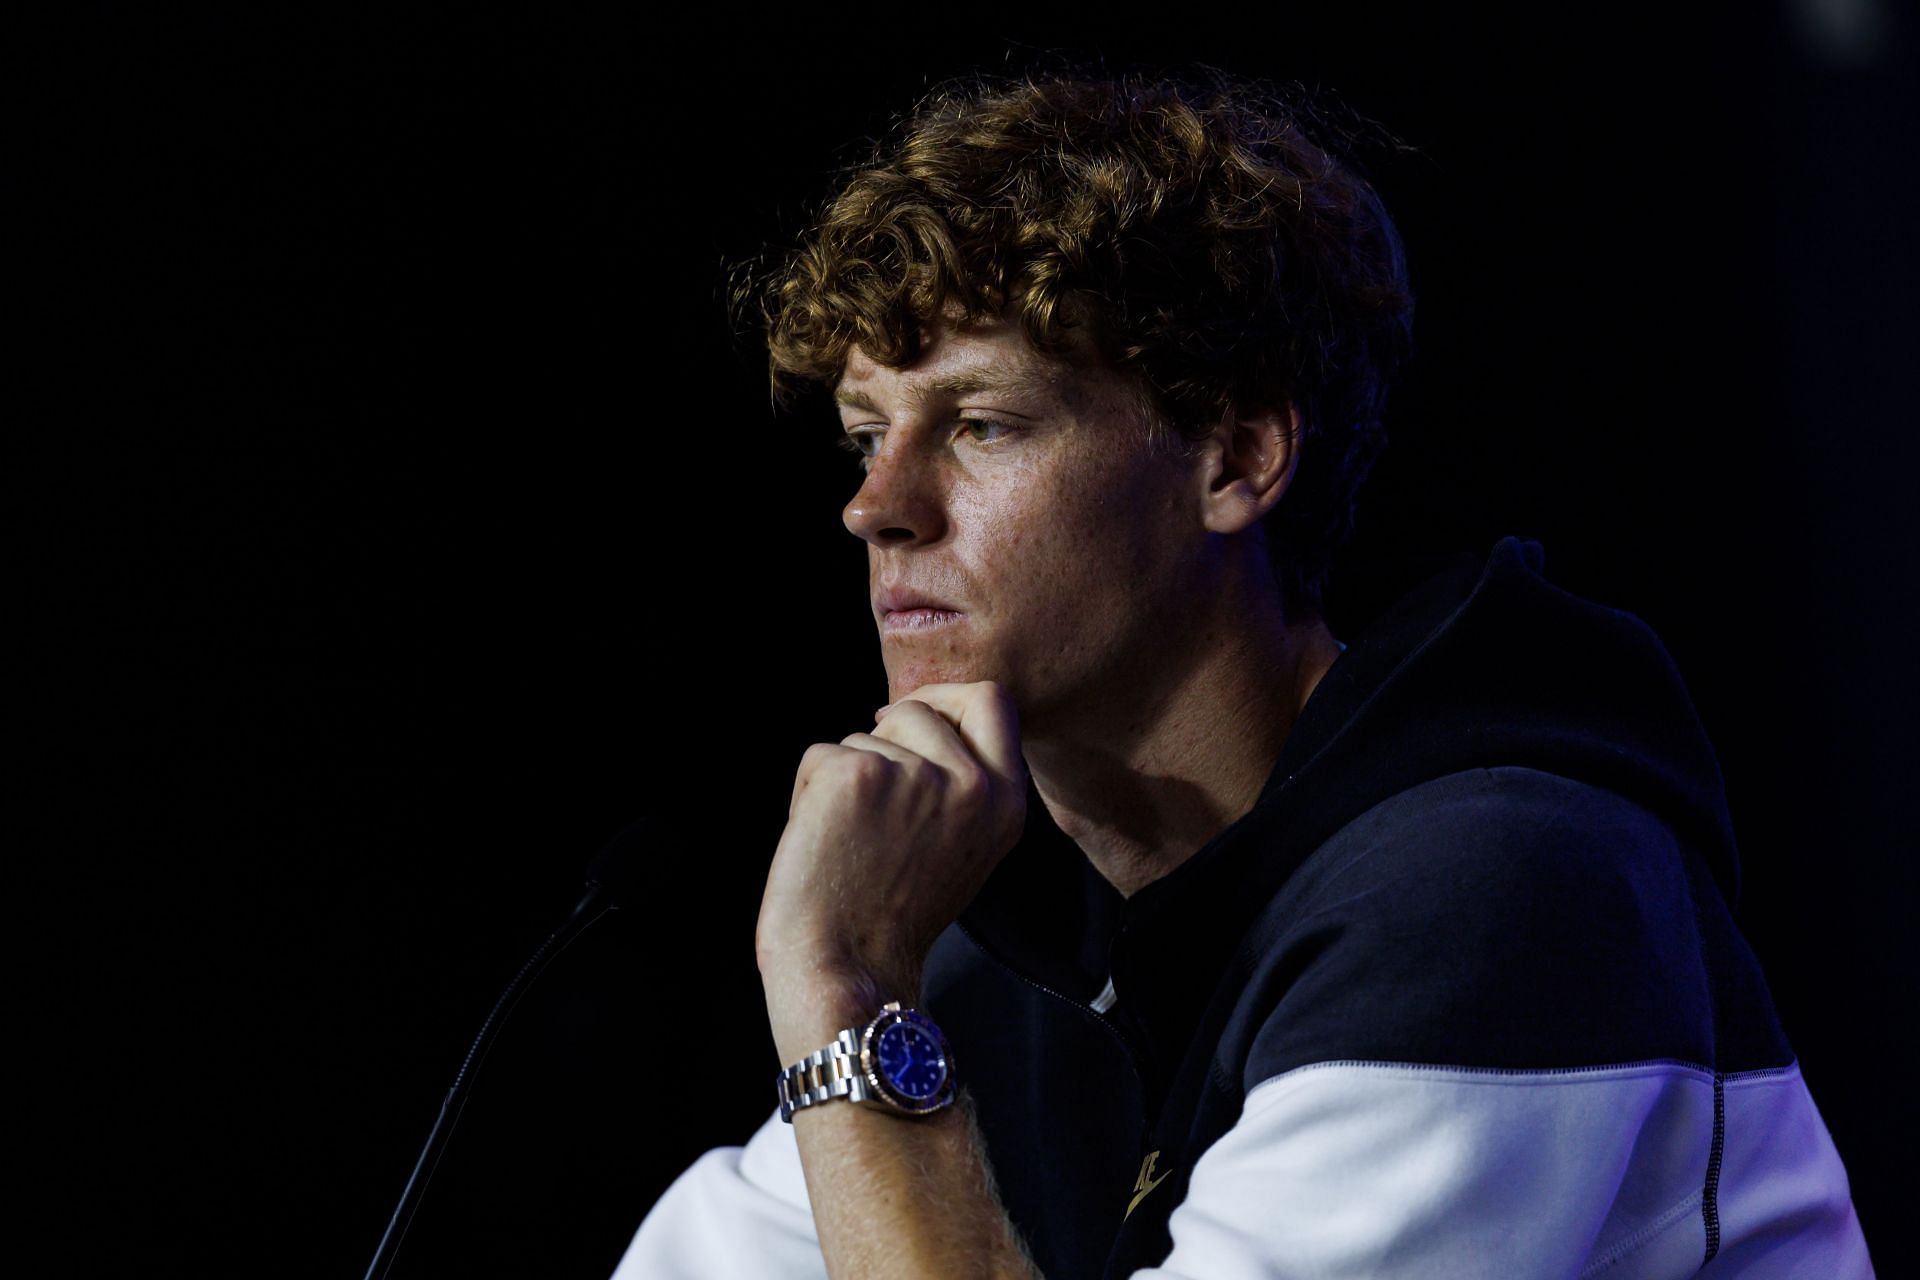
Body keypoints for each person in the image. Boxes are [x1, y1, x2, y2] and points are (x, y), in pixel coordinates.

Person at [614, 69, 1874, 1278]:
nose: (875, 509)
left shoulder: (1504, 893)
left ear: (1236, 455)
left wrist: (841, 991)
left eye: (981, 423)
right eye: (866, 440)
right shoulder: (999, 978)